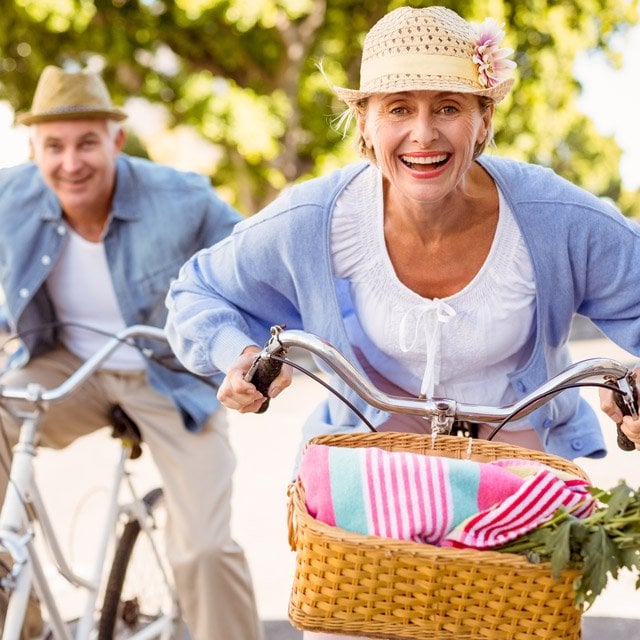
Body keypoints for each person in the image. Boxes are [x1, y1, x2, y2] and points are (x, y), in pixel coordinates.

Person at [164, 5, 640, 637]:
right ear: (363, 122)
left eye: (447, 107)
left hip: (517, 487)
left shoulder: (554, 219)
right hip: (368, 483)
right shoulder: (316, 220)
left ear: (483, 117)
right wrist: (235, 353)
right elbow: (198, 291)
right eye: (397, 108)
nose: (424, 134)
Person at [0, 65, 263, 640]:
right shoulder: (9, 197)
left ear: (116, 141)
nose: (71, 163)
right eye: (54, 147)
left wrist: (247, 351)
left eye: (87, 143)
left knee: (202, 551)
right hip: (70, 365)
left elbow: (258, 269)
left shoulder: (182, 199)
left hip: (171, 376)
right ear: (34, 148)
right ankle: (22, 623)